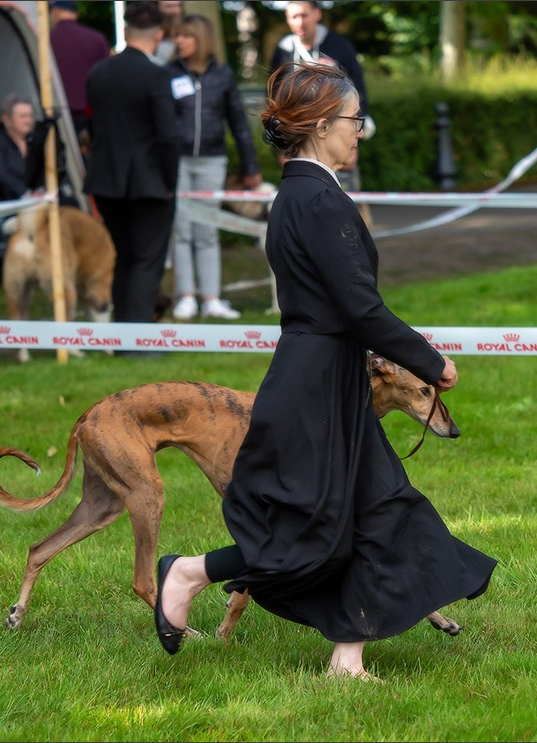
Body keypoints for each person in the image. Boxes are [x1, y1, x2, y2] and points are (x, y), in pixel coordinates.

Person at [153, 62, 497, 680]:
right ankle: (188, 572)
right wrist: (428, 361)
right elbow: (358, 306)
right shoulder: (317, 199)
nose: (360, 131)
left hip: (329, 377)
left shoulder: (304, 194)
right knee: (310, 530)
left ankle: (348, 655)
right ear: (317, 125)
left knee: (379, 508)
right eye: (353, 119)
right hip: (315, 383)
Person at [84, 1, 179, 335]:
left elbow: (94, 128)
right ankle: (138, 339)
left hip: (106, 179)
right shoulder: (157, 75)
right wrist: (170, 180)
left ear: (125, 33)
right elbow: (168, 135)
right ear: (159, 34)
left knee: (124, 257)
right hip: (149, 181)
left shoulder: (98, 72)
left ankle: (121, 332)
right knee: (146, 260)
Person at [166, 14, 262, 321]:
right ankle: (186, 297)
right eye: (176, 36)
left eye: (185, 35)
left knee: (206, 229)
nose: (179, 41)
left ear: (201, 39)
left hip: (212, 160)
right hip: (177, 161)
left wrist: (250, 166)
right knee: (181, 230)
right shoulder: (167, 73)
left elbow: (239, 124)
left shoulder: (222, 74)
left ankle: (211, 298)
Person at [269, 1, 374, 197]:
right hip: (299, 146)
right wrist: (281, 145)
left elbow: (359, 94)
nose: (299, 22)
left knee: (346, 204)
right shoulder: (283, 50)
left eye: (304, 15)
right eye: (293, 17)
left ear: (317, 14)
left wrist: (353, 139)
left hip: (337, 139)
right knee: (304, 204)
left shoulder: (340, 46)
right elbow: (276, 100)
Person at [48, 0, 110, 140]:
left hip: (56, 114)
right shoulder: (96, 39)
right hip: (90, 114)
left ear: (55, 11)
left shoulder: (46, 40)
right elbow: (107, 79)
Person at [0, 93, 36, 203]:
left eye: (30, 116)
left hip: (25, 201)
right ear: (6, 119)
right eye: (23, 116)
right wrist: (26, 193)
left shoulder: (32, 139)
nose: (29, 121)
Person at [153, 0, 185, 65]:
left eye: (178, 5)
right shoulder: (150, 29)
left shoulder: (187, 25)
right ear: (158, 8)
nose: (175, 11)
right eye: (169, 6)